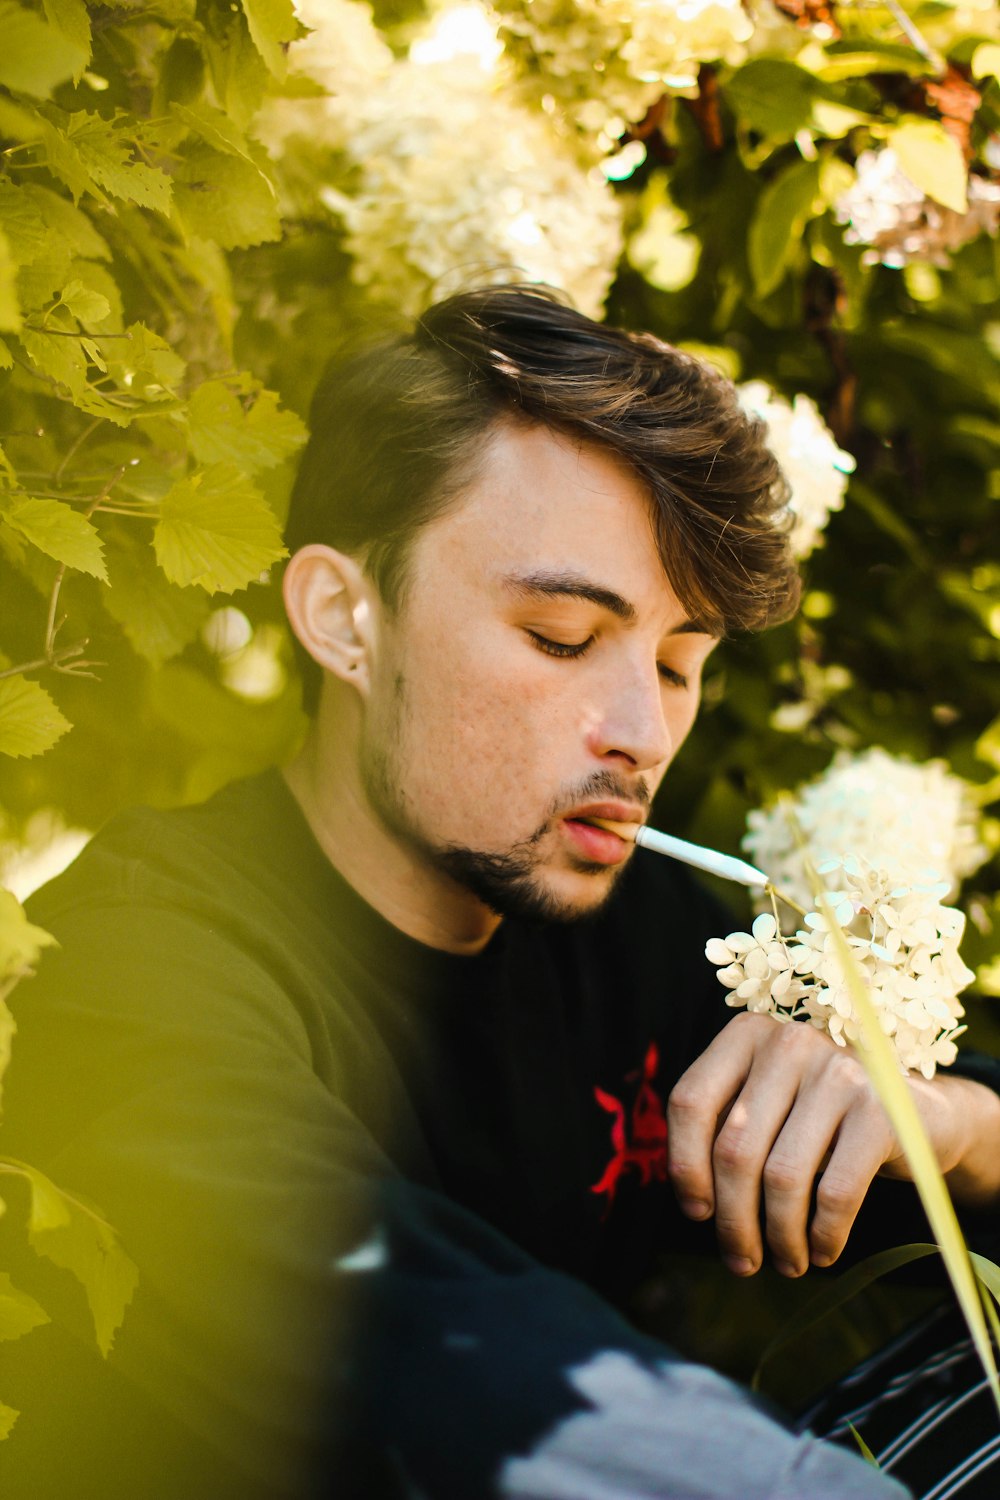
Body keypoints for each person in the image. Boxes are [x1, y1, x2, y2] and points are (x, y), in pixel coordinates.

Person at [3, 286, 999, 1499]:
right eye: (563, 638)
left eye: (681, 664)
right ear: (342, 619)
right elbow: (409, 1339)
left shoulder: (649, 938)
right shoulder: (134, 970)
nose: (642, 732)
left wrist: (948, 1127)